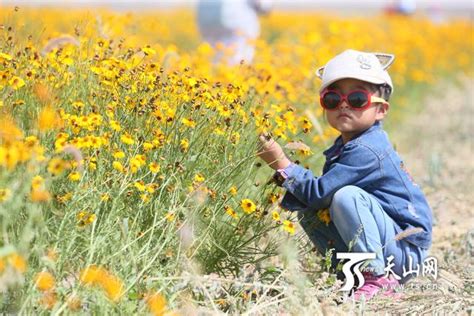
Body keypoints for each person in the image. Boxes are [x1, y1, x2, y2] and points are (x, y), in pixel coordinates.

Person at [257, 49, 433, 301]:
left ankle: (376, 277)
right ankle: (356, 277)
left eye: (358, 98)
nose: (343, 104)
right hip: (390, 242)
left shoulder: (368, 149)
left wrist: (281, 163)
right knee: (311, 211)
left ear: (381, 110)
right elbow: (317, 199)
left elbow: (320, 193)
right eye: (332, 99)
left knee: (345, 197)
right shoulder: (346, 145)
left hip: (405, 249)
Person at [196, 0, 272, 65]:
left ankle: (214, 79)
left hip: (207, 21)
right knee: (238, 60)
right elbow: (263, 5)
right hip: (235, 21)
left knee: (213, 59)